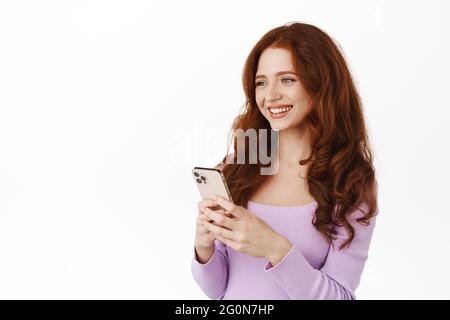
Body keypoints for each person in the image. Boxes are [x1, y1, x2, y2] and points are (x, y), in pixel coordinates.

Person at [191, 22, 378, 300]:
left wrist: (274, 247)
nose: (271, 95)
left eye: (287, 79)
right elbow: (218, 289)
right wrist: (203, 246)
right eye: (261, 82)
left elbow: (340, 296)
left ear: (321, 83)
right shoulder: (236, 167)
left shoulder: (350, 181)